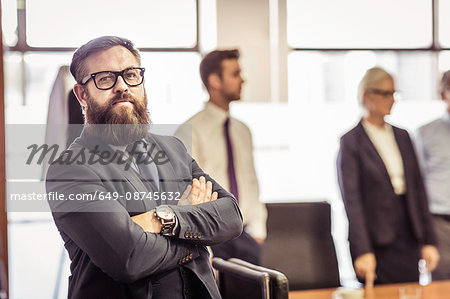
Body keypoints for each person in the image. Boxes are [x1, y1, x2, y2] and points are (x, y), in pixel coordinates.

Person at [46, 36, 243, 299]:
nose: (122, 86)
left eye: (130, 74)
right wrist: (196, 238)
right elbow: (130, 257)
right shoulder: (69, 170)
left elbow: (230, 216)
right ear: (82, 94)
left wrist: (165, 218)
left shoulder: (172, 149)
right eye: (105, 78)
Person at [336, 67, 439, 287]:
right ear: (366, 95)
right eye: (385, 93)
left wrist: (428, 241)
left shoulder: (403, 136)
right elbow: (352, 201)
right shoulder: (351, 141)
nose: (391, 99)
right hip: (376, 241)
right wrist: (363, 250)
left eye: (393, 93)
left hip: (408, 236)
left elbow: (418, 190)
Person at [174, 49, 266, 265]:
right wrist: (202, 244)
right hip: (211, 240)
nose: (243, 79)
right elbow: (186, 193)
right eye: (235, 74)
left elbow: (251, 183)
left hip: (246, 238)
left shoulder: (243, 131)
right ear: (214, 80)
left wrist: (259, 231)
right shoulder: (189, 131)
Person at [414, 70, 450, 280]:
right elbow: (416, 188)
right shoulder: (424, 133)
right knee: (441, 286)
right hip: (439, 225)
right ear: (442, 94)